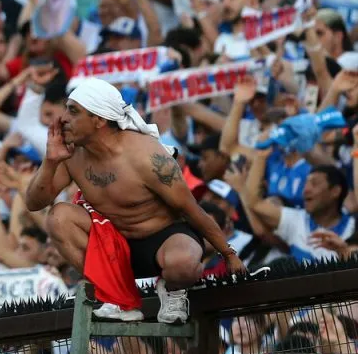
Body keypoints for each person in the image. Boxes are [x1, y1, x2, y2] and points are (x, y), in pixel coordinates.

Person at [25, 78, 246, 323]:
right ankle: (113, 294)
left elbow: (191, 209)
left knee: (183, 264)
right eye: (66, 109)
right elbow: (34, 203)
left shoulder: (146, 155)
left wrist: (228, 254)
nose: (63, 117)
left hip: (165, 240)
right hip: (114, 248)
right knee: (58, 217)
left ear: (99, 120)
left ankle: (173, 289)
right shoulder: (71, 154)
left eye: (73, 111)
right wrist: (50, 161)